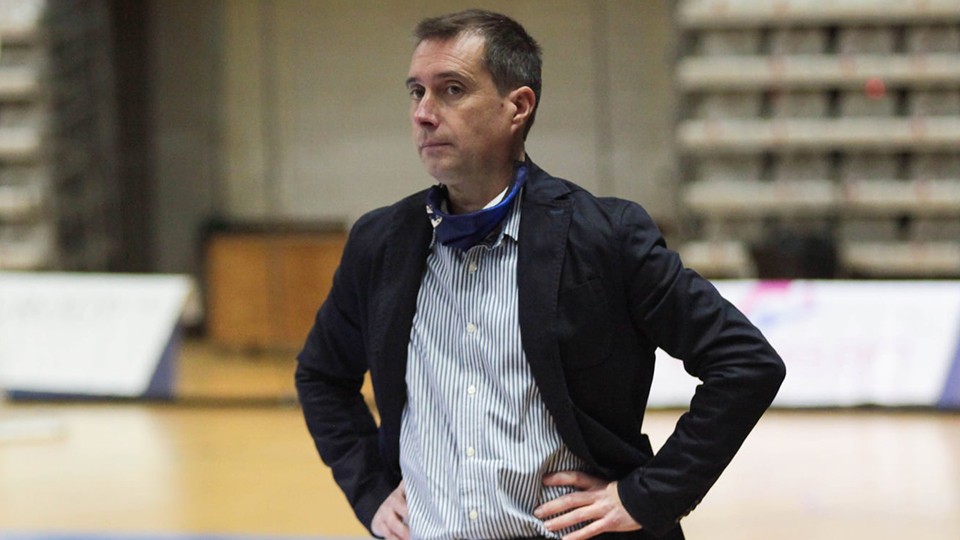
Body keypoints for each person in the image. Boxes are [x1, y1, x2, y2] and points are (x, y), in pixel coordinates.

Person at [295, 9, 785, 540]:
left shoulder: (605, 235)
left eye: (451, 90)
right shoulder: (380, 242)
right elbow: (322, 376)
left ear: (518, 107)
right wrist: (370, 491)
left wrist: (649, 495)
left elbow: (745, 363)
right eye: (416, 92)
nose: (424, 113)